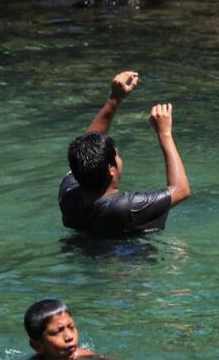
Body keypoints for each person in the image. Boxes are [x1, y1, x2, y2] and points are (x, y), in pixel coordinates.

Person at [59, 70, 191, 236]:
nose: (120, 159)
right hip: (127, 258)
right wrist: (164, 134)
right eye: (117, 155)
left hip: (86, 251)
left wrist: (114, 100)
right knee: (179, 250)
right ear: (111, 169)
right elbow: (181, 190)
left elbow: (84, 148)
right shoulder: (127, 207)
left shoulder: (68, 195)